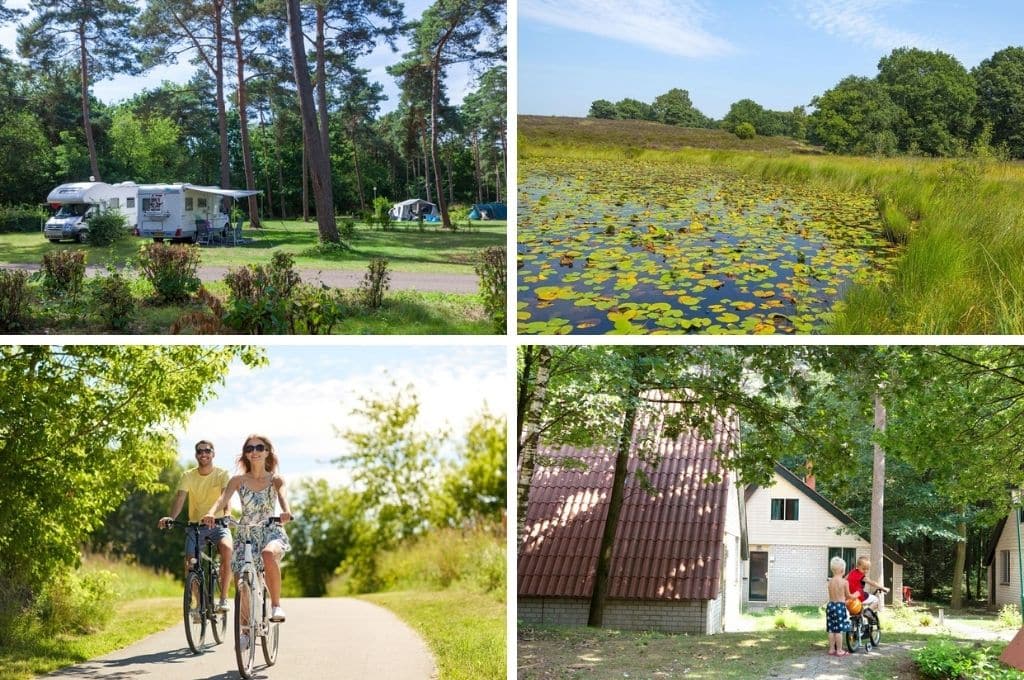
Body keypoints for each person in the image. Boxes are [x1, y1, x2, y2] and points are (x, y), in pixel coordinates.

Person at [203, 434, 292, 625]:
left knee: (268, 555)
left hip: (270, 530)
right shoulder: (238, 480)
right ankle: (244, 630)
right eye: (250, 449)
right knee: (242, 583)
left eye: (259, 448)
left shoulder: (275, 479)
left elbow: (283, 496)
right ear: (246, 454)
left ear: (267, 452)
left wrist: (286, 511)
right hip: (246, 533)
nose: (255, 452)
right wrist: (211, 512)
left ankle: (276, 605)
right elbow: (222, 499)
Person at [158, 440, 233, 612]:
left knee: (227, 550)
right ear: (196, 455)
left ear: (213, 454)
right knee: (190, 563)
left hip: (218, 524)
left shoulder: (222, 474)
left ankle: (223, 599)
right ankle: (199, 605)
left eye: (207, 450)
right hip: (196, 527)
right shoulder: (188, 476)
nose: (203, 454)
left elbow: (225, 498)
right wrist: (171, 517)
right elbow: (180, 498)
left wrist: (227, 515)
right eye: (199, 451)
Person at [826, 556, 854, 656]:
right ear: (842, 570)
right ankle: (839, 650)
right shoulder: (844, 582)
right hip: (839, 607)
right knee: (839, 630)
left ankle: (831, 649)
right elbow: (848, 595)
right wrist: (855, 595)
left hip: (830, 606)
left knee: (831, 629)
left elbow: (831, 594)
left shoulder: (830, 582)